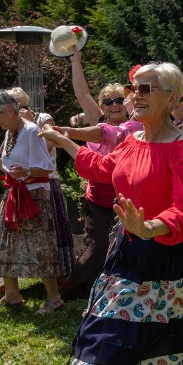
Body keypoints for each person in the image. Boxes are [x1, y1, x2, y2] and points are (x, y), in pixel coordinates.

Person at [41, 62, 183, 365]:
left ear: (172, 97)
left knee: (166, 353)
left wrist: (149, 226)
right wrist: (65, 143)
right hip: (129, 254)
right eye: (134, 88)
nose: (136, 95)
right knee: (106, 340)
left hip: (172, 262)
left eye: (147, 88)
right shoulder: (131, 140)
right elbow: (105, 167)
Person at [0, 90, 65, 315]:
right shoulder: (10, 133)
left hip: (34, 196)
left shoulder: (32, 131)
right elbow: (9, 170)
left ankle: (54, 299)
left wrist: (27, 170)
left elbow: (46, 168)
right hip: (14, 193)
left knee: (39, 247)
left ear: (10, 110)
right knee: (4, 242)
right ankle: (12, 295)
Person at [60, 50, 130, 301]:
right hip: (98, 196)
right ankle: (84, 288)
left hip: (127, 196)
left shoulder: (136, 126)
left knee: (122, 244)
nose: (114, 105)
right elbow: (82, 94)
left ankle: (118, 289)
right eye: (108, 101)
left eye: (119, 99)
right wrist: (75, 61)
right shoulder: (98, 122)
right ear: (101, 106)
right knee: (96, 244)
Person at [6, 87, 77, 284]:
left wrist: (28, 122)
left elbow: (47, 146)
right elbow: (6, 153)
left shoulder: (42, 118)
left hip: (46, 182)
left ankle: (62, 276)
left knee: (53, 230)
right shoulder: (12, 128)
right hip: (21, 185)